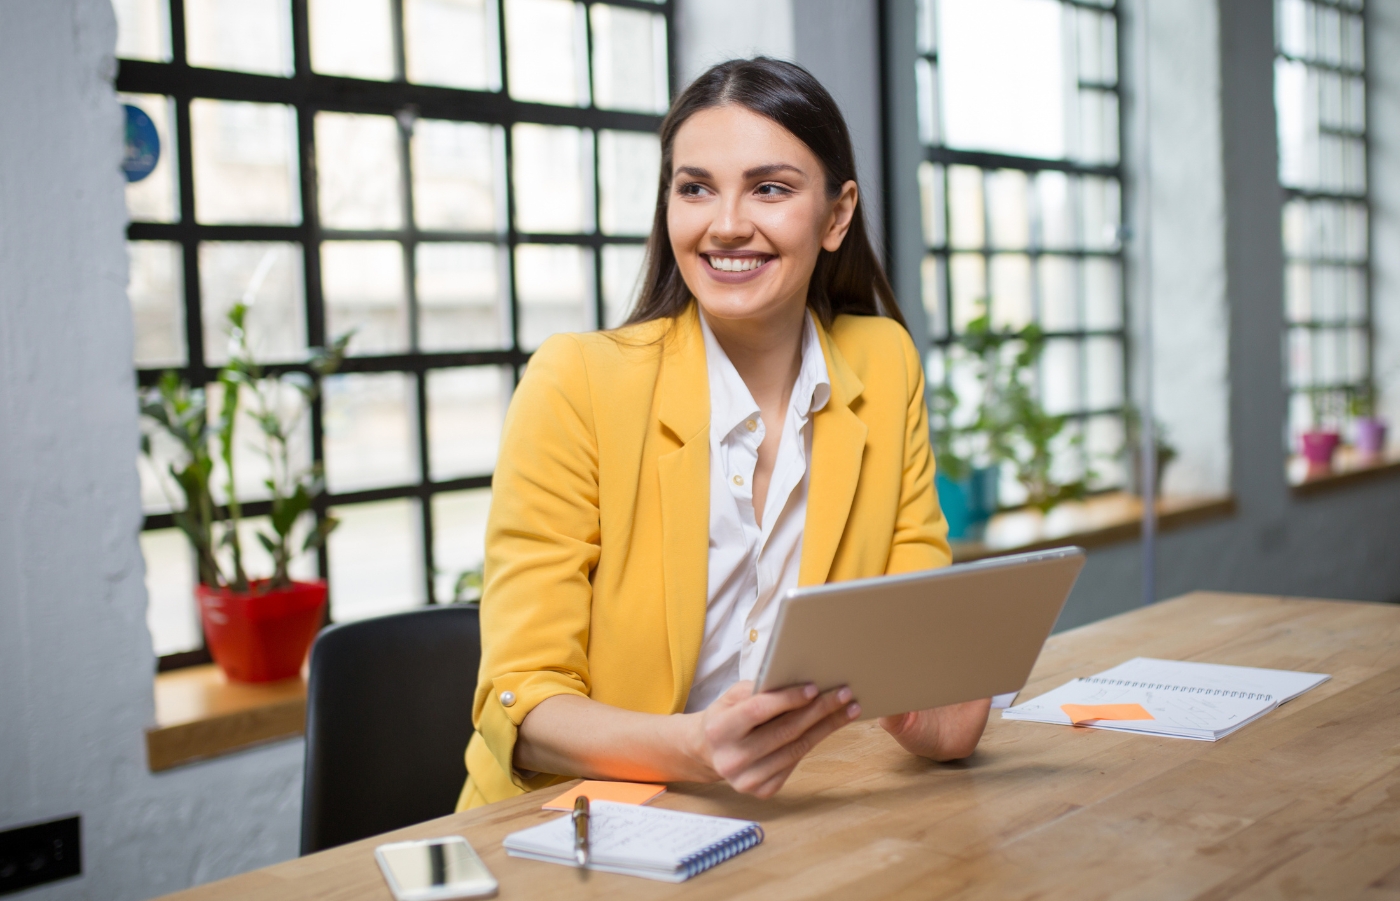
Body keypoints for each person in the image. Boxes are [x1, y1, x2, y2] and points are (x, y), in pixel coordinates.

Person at [457, 57, 990, 810]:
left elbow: (918, 652)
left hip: (789, 821)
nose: (727, 223)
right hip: (573, 826)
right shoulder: (576, 383)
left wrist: (926, 702)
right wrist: (698, 747)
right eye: (695, 187)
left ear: (837, 216)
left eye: (770, 188)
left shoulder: (885, 364)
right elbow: (521, 702)